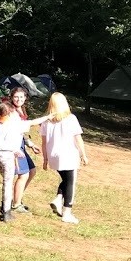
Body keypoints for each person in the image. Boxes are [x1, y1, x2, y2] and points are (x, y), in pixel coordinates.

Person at [0, 100, 49, 222]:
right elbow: (33, 122)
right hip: (6, 156)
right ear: (9, 114)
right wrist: (48, 117)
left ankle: (4, 209)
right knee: (8, 183)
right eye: (14, 113)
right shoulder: (13, 125)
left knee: (7, 182)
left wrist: (14, 150)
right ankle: (6, 213)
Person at [41, 92, 89, 224]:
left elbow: (44, 143)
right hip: (68, 154)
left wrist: (45, 159)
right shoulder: (71, 118)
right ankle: (67, 212)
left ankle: (58, 198)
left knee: (66, 179)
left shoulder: (46, 121)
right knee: (71, 183)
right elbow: (78, 138)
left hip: (53, 156)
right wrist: (83, 155)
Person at [9, 87, 41, 213]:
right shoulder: (11, 111)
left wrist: (30, 144)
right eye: (16, 97)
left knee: (32, 171)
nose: (19, 99)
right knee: (23, 174)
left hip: (21, 144)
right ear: (12, 98)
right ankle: (16, 204)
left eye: (21, 97)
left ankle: (17, 198)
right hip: (14, 147)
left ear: (25, 98)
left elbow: (20, 131)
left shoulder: (21, 110)